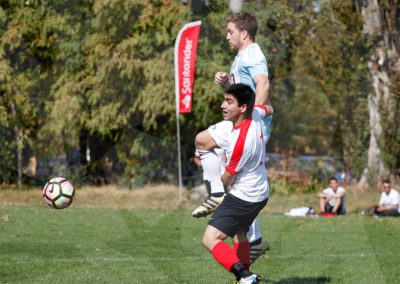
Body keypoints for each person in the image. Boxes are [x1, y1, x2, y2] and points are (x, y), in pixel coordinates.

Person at [192, 11, 272, 263]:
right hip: (245, 123)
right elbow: (245, 88)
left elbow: (263, 84)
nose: (227, 36)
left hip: (249, 125)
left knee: (203, 142)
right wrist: (227, 81)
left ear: (244, 33)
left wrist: (254, 117)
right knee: (239, 186)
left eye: (230, 31)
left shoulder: (254, 53)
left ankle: (217, 193)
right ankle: (253, 243)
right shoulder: (241, 57)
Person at [196, 83, 271, 283]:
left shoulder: (240, 142)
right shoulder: (256, 112)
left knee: (210, 239)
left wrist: (215, 187)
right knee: (239, 233)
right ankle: (246, 277)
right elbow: (269, 108)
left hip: (243, 196)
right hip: (260, 193)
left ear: (243, 107)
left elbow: (228, 178)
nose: (223, 105)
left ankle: (244, 276)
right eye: (224, 100)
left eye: (229, 102)